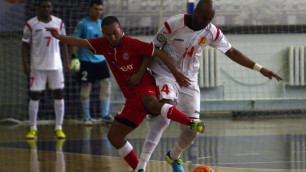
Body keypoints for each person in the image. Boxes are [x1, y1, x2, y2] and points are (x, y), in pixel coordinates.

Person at [135, 0, 283, 171]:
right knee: (165, 114)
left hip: (189, 79)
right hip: (165, 72)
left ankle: (173, 156)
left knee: (193, 129)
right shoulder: (173, 24)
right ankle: (141, 166)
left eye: (210, 19)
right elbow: (153, 48)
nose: (207, 22)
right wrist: (140, 74)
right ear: (195, 11)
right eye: (204, 18)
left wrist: (260, 68)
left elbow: (232, 52)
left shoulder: (211, 31)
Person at [46, 16, 205, 171]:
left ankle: (190, 123)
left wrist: (174, 73)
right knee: (114, 137)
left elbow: (157, 53)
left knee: (151, 103)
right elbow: (81, 42)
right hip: (131, 96)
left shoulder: (132, 43)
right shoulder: (103, 44)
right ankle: (138, 168)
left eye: (115, 32)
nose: (112, 37)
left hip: (144, 85)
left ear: (121, 29)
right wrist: (59, 36)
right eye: (108, 35)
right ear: (103, 34)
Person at [22, 0, 70, 139]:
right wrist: (25, 63)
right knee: (35, 95)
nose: (46, 9)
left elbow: (63, 43)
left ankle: (59, 127)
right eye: (43, 6)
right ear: (39, 8)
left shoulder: (59, 23)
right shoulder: (31, 24)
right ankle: (33, 128)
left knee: (59, 93)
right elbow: (24, 45)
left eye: (48, 6)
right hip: (37, 67)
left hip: (56, 66)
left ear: (51, 8)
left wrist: (67, 62)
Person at [71, 0, 113, 125]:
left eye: (100, 9)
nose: (98, 12)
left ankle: (105, 115)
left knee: (106, 85)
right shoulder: (83, 23)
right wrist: (74, 57)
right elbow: (74, 40)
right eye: (96, 9)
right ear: (90, 9)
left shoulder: (102, 24)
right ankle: (86, 116)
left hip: (101, 60)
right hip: (86, 61)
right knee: (86, 86)